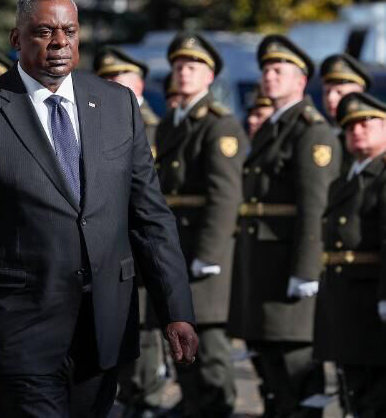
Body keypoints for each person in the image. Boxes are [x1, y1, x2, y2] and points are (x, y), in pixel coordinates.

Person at [0, 0, 198, 417]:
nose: (59, 43)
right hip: (17, 335)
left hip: (102, 330)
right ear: (16, 39)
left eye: (69, 32)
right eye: (44, 32)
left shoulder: (117, 105)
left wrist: (176, 309)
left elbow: (149, 217)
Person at [229, 34, 341, 418]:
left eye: (279, 70)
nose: (269, 76)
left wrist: (307, 270)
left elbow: (316, 206)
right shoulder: (274, 127)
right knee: (272, 372)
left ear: (300, 80)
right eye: (266, 70)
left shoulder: (310, 130)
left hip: (289, 267)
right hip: (264, 267)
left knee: (296, 369)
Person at [154, 32, 247, 418]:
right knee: (182, 345)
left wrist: (209, 253)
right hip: (175, 246)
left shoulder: (218, 125)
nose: (183, 72)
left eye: (193, 66)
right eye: (178, 65)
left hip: (203, 250)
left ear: (210, 76)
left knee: (208, 345)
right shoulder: (172, 123)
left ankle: (217, 409)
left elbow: (225, 195)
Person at [93, 47, 167, 417]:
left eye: (120, 77)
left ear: (139, 84)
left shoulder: (154, 127)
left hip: (139, 238)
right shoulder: (93, 121)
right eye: (106, 78)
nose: (112, 84)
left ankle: (146, 394)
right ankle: (124, 394)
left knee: (144, 323)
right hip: (105, 241)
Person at [314, 92, 386, 417]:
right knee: (353, 391)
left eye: (366, 123)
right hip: (344, 301)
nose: (357, 131)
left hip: (372, 300)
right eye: (350, 126)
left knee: (376, 395)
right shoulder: (343, 181)